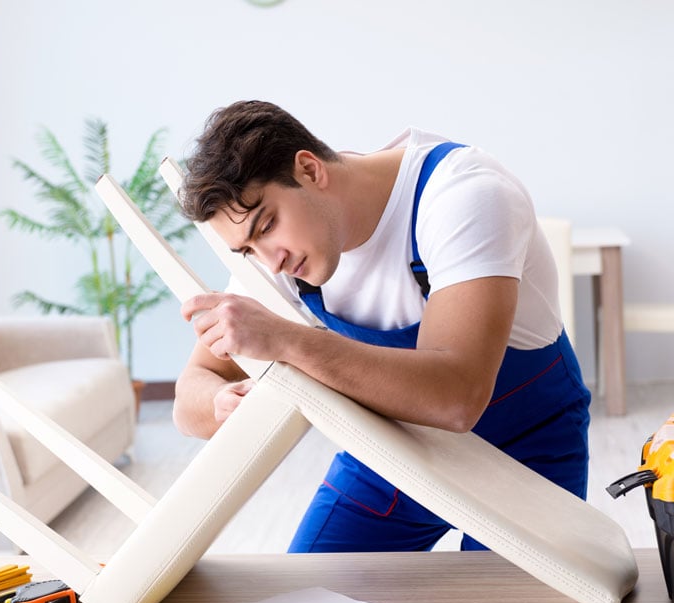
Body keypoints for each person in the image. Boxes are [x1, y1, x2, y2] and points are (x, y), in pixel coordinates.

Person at [172, 99, 591, 553]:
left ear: (310, 170)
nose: (271, 260)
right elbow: (189, 397)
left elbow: (456, 399)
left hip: (524, 452)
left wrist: (288, 340)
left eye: (267, 225)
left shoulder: (463, 196)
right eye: (248, 250)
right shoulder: (278, 257)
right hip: (391, 457)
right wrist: (220, 402)